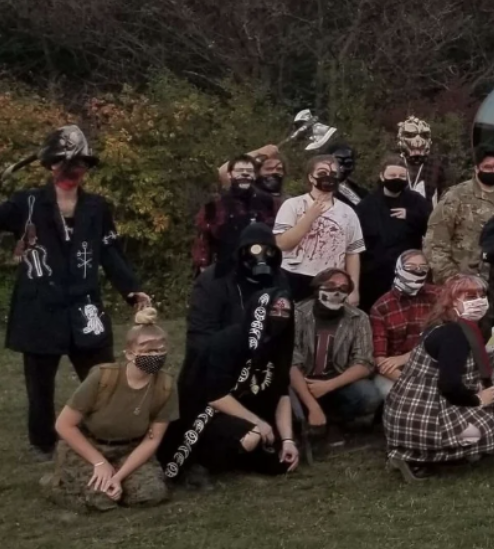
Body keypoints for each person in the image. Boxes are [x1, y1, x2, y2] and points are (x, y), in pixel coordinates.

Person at [2, 126, 150, 455]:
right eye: (69, 162)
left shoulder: (96, 207)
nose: (76, 169)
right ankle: (43, 443)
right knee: (39, 386)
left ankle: (109, 432)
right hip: (39, 308)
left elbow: (111, 253)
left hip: (85, 307)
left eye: (82, 163)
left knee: (104, 378)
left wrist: (132, 290)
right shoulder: (26, 203)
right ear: (52, 164)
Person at [161, 232, 300, 485]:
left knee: (280, 453)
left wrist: (287, 439)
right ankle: (207, 458)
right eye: (275, 311)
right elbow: (214, 390)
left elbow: (280, 390)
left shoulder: (278, 291)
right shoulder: (215, 280)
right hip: (213, 387)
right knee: (253, 434)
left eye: (285, 311)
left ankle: (244, 450)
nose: (280, 314)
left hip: (252, 385)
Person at [380, 275, 494, 480]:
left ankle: (429, 452)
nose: (478, 300)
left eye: (481, 295)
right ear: (452, 301)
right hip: (426, 409)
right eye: (469, 296)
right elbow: (449, 385)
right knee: (493, 429)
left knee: (492, 416)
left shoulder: (452, 325)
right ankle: (414, 457)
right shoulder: (453, 334)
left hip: (416, 405)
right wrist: (477, 399)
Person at [46, 321, 175, 511]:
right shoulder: (103, 377)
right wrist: (99, 462)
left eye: (159, 350)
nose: (154, 355)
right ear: (130, 353)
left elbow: (152, 440)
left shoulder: (166, 386)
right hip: (91, 445)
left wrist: (118, 476)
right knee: (99, 500)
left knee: (151, 493)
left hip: (130, 448)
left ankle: (117, 483)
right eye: (147, 350)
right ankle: (56, 484)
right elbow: (64, 425)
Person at [290, 267, 381, 437]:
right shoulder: (297, 314)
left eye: (343, 288)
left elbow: (364, 363)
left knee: (369, 395)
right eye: (331, 285)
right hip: (301, 383)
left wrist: (328, 386)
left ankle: (335, 422)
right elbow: (290, 361)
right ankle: (305, 422)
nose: (337, 291)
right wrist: (312, 405)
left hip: (337, 383)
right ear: (318, 287)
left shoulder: (359, 318)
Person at [273, 155, 364, 303]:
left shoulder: (348, 212)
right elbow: (282, 243)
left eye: (333, 174)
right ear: (311, 177)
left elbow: (353, 253)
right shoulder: (293, 205)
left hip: (332, 281)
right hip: (294, 277)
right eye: (322, 174)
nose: (328, 177)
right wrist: (309, 217)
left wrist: (354, 290)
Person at [423, 149, 494, 283]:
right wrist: (450, 277)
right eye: (488, 167)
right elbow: (434, 242)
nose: (493, 171)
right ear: (477, 169)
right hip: (460, 281)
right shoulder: (456, 197)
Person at [355, 153, 432, 307]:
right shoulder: (366, 205)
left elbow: (431, 229)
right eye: (392, 175)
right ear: (382, 176)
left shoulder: (417, 201)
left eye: (401, 175)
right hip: (374, 276)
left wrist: (411, 217)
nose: (397, 178)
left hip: (409, 273)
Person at [191, 153, 278, 275]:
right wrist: (203, 266)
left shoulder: (268, 202)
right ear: (229, 174)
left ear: (255, 175)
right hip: (225, 269)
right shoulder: (215, 206)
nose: (245, 174)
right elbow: (203, 240)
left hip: (259, 267)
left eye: (249, 171)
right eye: (239, 170)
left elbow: (278, 235)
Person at [369, 249, 438, 385]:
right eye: (410, 267)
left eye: (423, 267)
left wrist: (406, 357)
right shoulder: (381, 307)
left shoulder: (438, 296)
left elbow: (446, 340)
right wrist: (412, 385)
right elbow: (380, 361)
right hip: (395, 372)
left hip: (433, 365)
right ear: (398, 269)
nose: (417, 271)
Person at [394, 115, 444, 204]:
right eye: (410, 135)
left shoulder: (435, 166)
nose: (418, 140)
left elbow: (443, 195)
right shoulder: (394, 163)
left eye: (424, 135)